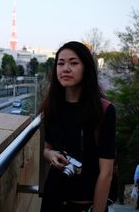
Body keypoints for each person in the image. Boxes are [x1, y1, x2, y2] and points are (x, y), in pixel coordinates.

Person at [39, 41, 116, 212]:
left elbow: (106, 172)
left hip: (85, 204)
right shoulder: (51, 107)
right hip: (53, 200)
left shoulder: (104, 111)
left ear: (86, 68)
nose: (65, 68)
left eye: (73, 63)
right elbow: (46, 148)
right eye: (61, 63)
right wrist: (51, 154)